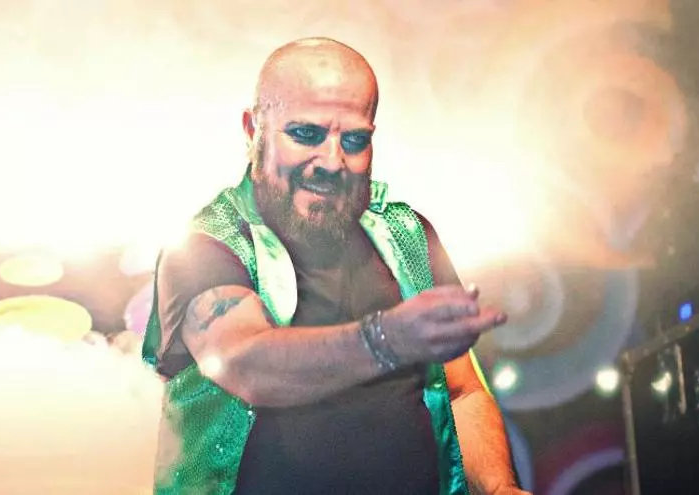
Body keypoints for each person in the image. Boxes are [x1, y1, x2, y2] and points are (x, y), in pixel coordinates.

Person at [143, 37, 530, 495]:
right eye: (306, 134)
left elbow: (462, 392)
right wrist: (386, 339)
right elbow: (247, 364)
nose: (332, 161)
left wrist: (500, 488)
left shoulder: (407, 235)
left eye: (354, 140)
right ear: (253, 130)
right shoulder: (207, 244)